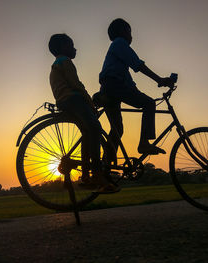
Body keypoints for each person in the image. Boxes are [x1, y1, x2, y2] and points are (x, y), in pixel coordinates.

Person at [48, 33, 120, 194]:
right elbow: (76, 85)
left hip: (64, 101)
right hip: (73, 99)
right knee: (95, 129)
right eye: (71, 45)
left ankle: (87, 175)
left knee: (87, 132)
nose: (75, 48)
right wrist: (88, 100)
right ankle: (97, 173)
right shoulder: (65, 62)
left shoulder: (56, 64)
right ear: (62, 48)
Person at [99, 18, 175, 155]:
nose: (131, 36)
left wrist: (137, 90)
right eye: (130, 32)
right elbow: (138, 65)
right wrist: (159, 79)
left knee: (117, 129)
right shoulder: (120, 43)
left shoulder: (116, 51)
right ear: (123, 31)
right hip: (115, 86)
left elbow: (128, 81)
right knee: (149, 104)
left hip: (109, 88)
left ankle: (106, 165)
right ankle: (144, 144)